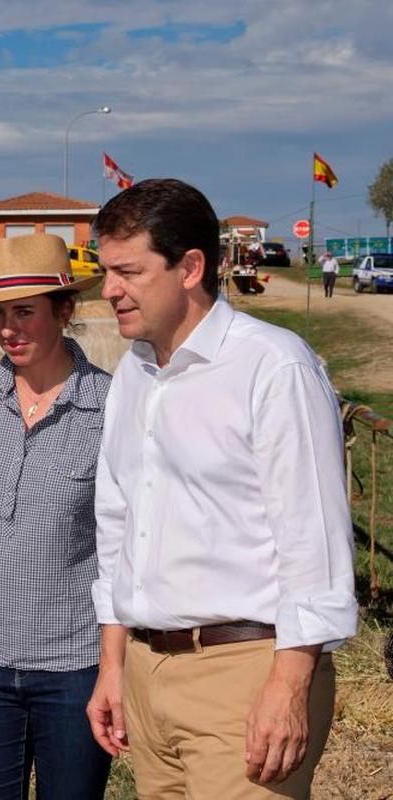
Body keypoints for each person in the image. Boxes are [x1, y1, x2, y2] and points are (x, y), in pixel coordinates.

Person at [86, 179, 357, 798]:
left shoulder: (274, 367)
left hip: (245, 675)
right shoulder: (135, 372)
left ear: (189, 268)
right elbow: (118, 523)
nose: (109, 290)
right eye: (106, 271)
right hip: (148, 676)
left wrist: (288, 688)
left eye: (128, 271)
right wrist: (114, 664)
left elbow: (313, 542)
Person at [0, 233, 111, 799]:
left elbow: (123, 546)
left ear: (65, 311)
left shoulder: (111, 409)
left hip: (76, 665)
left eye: (25, 312)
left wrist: (113, 668)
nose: (8, 328)